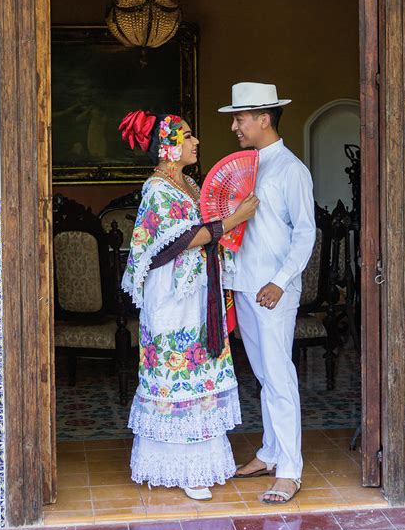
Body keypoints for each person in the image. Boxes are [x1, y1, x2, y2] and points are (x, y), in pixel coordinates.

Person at [120, 110, 259, 501]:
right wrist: (233, 220)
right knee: (175, 369)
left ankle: (201, 460)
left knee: (200, 370)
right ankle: (179, 465)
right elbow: (174, 243)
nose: (195, 142)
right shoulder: (158, 190)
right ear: (168, 146)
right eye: (187, 136)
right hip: (171, 297)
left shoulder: (190, 185)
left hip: (196, 294)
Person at [218, 82, 316, 504]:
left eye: (240, 118)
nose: (235, 126)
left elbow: (307, 231)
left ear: (264, 119)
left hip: (274, 290)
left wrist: (281, 281)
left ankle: (290, 469)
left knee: (278, 375)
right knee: (262, 375)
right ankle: (271, 452)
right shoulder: (249, 167)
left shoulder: (291, 169)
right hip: (244, 286)